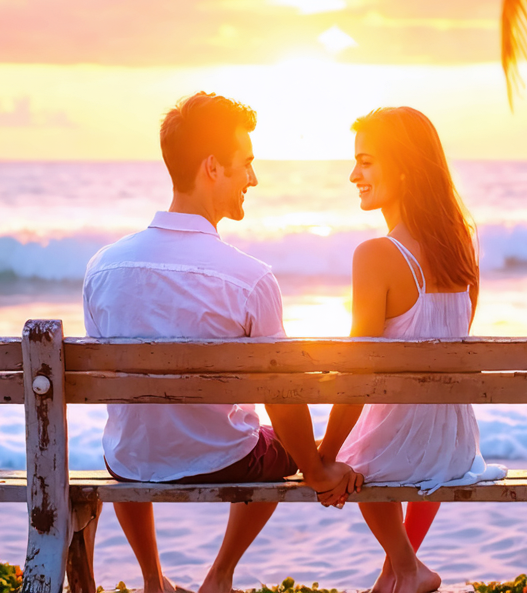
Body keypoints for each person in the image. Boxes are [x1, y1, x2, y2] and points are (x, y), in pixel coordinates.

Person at [83, 92, 362, 593]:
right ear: (212, 168)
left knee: (133, 435)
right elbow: (283, 394)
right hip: (222, 458)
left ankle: (153, 579)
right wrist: (316, 468)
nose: (252, 180)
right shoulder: (249, 278)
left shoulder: (104, 267)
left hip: (127, 461)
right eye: (246, 165)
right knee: (281, 448)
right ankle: (220, 575)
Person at [317, 107, 506, 593]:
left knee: (361, 455)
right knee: (407, 436)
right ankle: (396, 575)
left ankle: (404, 568)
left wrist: (325, 454)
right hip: (455, 442)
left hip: (408, 438)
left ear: (402, 167)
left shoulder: (376, 255)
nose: (354, 175)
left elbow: (359, 372)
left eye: (366, 161)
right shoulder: (462, 245)